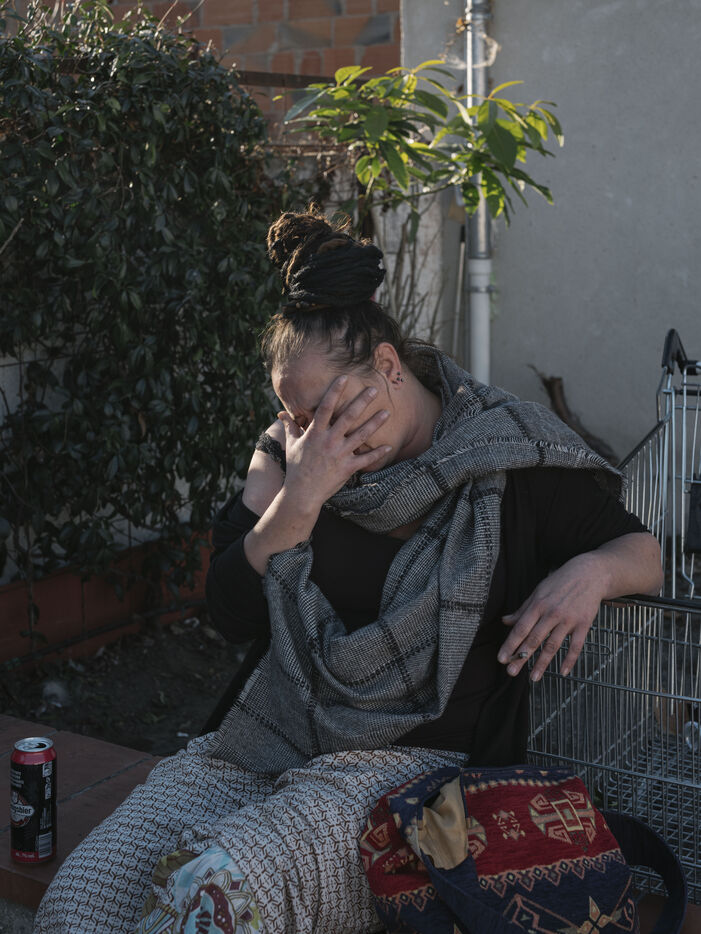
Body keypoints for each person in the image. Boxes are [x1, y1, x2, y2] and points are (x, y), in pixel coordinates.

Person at [34, 209, 663, 934]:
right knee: (79, 904)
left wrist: (589, 573)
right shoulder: (289, 459)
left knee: (218, 889)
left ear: (389, 368)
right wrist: (299, 499)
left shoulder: (504, 455)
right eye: (296, 417)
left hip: (420, 775)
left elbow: (642, 553)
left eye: (329, 409)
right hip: (266, 741)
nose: (314, 435)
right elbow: (230, 611)